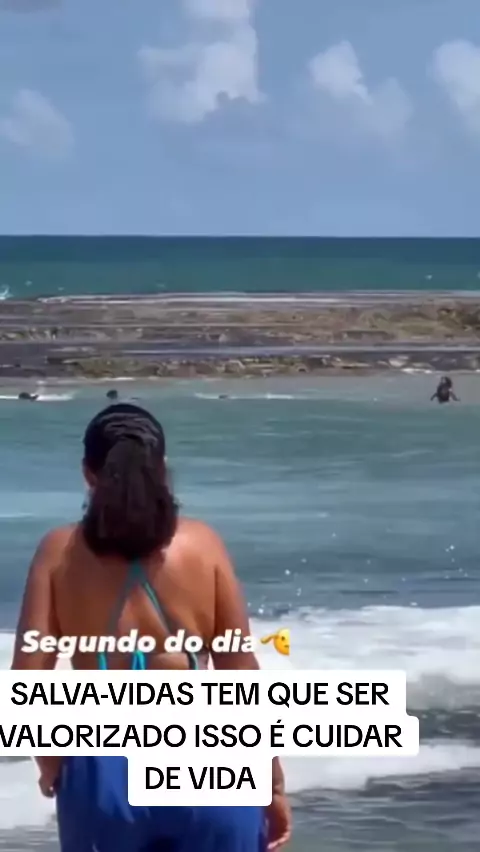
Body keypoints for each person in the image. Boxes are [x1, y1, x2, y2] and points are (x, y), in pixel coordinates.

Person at [11, 402, 291, 852]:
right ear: (162, 469)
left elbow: (28, 682)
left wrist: (53, 766)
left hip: (102, 765)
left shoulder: (58, 552)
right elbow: (241, 674)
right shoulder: (203, 545)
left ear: (88, 474)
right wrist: (271, 782)